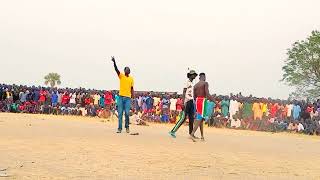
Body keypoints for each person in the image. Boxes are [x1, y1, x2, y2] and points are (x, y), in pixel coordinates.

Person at [169, 70, 198, 138]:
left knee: (191, 119)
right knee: (183, 118)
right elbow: (184, 92)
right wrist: (183, 102)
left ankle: (191, 134)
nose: (194, 76)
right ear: (190, 75)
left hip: (191, 101)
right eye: (193, 75)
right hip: (187, 101)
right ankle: (173, 131)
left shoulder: (192, 83)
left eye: (194, 75)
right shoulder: (187, 82)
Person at [111, 56, 134, 133]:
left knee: (127, 113)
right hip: (120, 97)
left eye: (128, 69)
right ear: (124, 71)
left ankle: (127, 127)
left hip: (128, 98)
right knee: (120, 113)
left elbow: (132, 89)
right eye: (126, 69)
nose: (127, 70)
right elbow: (116, 69)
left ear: (129, 71)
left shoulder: (131, 79)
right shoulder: (121, 76)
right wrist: (114, 62)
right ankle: (119, 128)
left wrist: (133, 98)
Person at [190, 73, 213, 142]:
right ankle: (192, 133)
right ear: (203, 77)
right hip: (203, 101)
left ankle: (202, 136)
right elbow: (207, 94)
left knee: (201, 119)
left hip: (197, 101)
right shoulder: (205, 83)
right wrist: (216, 102)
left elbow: (194, 96)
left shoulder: (195, 85)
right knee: (199, 118)